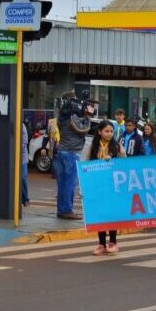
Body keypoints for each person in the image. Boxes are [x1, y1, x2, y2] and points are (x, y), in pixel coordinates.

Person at [89, 120, 126, 255]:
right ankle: (101, 244)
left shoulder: (117, 147)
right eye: (106, 131)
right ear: (99, 132)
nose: (109, 134)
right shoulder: (92, 147)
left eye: (111, 131)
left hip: (113, 186)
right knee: (100, 214)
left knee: (112, 213)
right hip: (98, 186)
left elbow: (124, 163)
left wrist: (115, 159)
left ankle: (113, 242)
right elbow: (85, 166)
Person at [54, 92, 92, 220]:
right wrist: (87, 117)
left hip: (61, 152)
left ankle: (61, 209)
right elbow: (83, 130)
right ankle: (67, 210)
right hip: (71, 152)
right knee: (70, 183)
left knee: (62, 184)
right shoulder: (71, 116)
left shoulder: (61, 115)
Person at [21, 121, 30, 207]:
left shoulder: (21, 125)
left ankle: (25, 199)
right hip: (10, 158)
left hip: (22, 157)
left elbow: (25, 140)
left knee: (23, 178)